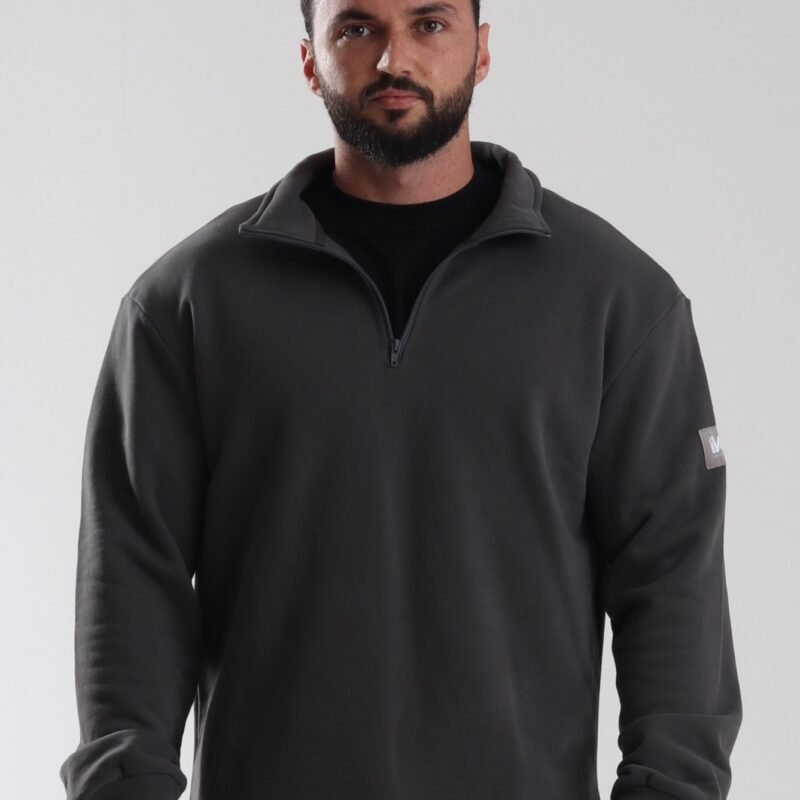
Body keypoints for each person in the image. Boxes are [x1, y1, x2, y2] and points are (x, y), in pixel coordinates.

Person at [58, 1, 743, 799]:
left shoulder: (618, 301)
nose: (394, 59)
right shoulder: (188, 304)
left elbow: (673, 577)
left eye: (430, 24)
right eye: (357, 29)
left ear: (481, 51)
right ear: (309, 60)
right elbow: (132, 575)